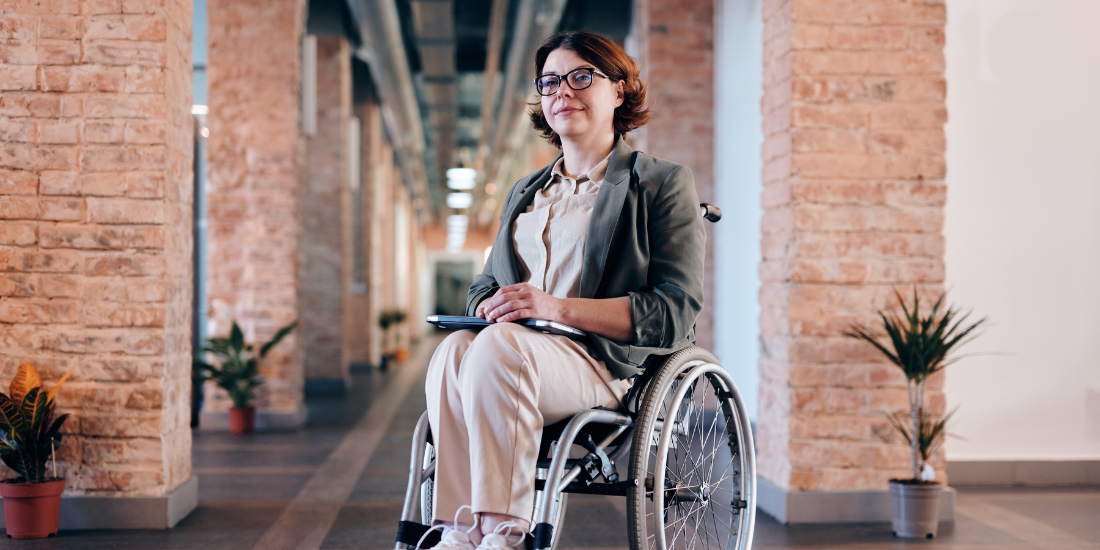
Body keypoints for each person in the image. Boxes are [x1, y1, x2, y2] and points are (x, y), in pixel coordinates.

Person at [424, 30, 705, 550]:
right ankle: (460, 529)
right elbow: (487, 281)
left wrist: (555, 308)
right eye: (549, 81)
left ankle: (504, 533)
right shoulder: (525, 191)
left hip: (600, 365)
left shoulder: (660, 183)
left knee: (496, 349)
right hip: (511, 355)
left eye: (581, 77)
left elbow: (675, 312)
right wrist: (486, 304)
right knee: (454, 350)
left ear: (619, 90)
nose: (562, 92)